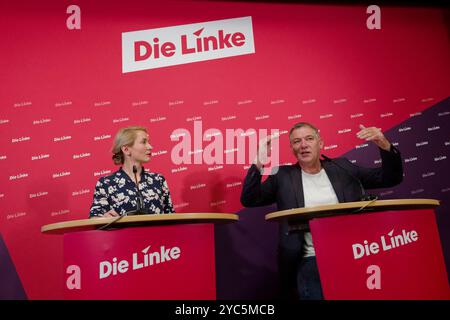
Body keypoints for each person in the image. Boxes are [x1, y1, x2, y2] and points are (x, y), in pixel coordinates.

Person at [240, 122, 403, 300]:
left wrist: (384, 144)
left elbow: (390, 178)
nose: (303, 145)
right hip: (311, 259)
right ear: (293, 149)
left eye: (309, 139)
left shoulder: (343, 168)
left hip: (353, 252)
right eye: (296, 141)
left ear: (321, 143)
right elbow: (250, 199)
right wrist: (259, 161)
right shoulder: (283, 176)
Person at [89, 126, 174, 218]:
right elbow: (95, 218)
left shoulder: (158, 180)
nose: (150, 146)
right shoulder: (106, 183)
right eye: (143, 142)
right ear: (126, 149)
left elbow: (171, 216)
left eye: (148, 142)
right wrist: (103, 218)